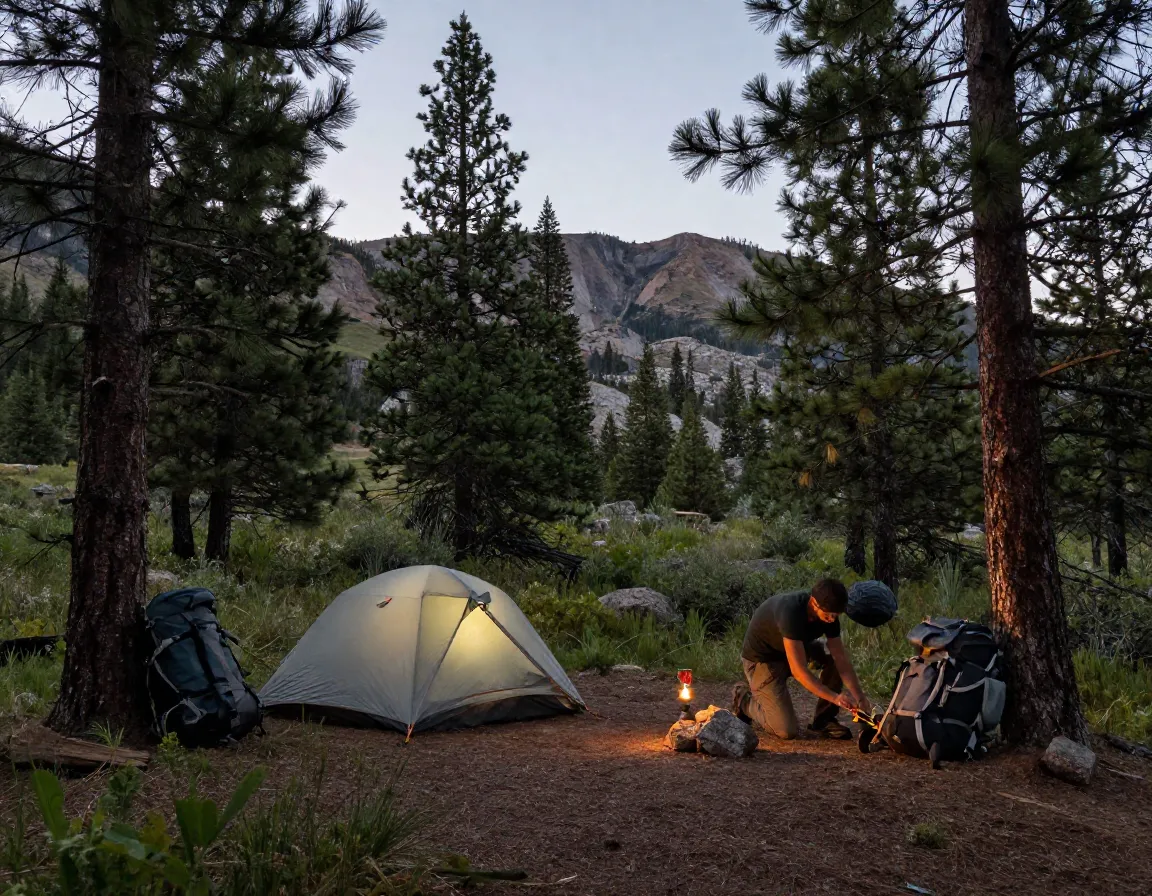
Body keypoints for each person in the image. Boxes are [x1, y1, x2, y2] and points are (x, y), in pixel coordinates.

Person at [732, 578, 871, 740]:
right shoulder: (791, 613)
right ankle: (743, 698)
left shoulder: (830, 615)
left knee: (833, 658)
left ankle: (823, 720)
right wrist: (835, 697)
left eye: (836, 615)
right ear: (814, 603)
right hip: (762, 660)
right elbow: (799, 671)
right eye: (828, 615)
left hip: (794, 649)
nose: (832, 619)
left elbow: (841, 658)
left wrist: (860, 698)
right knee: (785, 730)